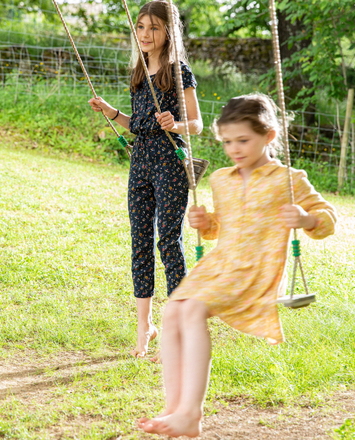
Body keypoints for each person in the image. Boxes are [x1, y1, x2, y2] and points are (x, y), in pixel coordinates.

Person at [139, 93, 337, 437]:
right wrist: (206, 222)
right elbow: (223, 226)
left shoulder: (288, 180)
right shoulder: (221, 179)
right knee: (173, 311)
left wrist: (306, 219)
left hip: (254, 270)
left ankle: (191, 414)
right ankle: (174, 408)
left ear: (269, 136)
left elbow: (328, 218)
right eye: (228, 141)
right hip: (219, 264)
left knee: (193, 310)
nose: (235, 149)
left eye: (243, 140)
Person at [88, 0, 203, 359]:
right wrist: (113, 113)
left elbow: (196, 124)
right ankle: (145, 326)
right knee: (140, 243)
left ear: (168, 31)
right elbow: (138, 124)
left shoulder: (178, 71)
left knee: (168, 242)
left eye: (153, 27)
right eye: (140, 27)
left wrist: (177, 123)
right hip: (140, 164)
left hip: (169, 163)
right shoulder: (138, 72)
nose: (145, 34)